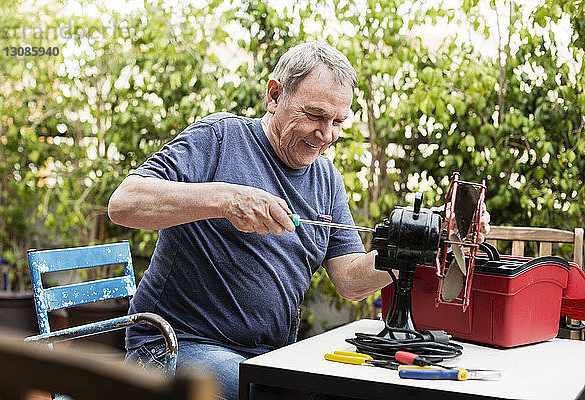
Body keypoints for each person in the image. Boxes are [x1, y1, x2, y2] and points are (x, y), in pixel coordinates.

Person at [108, 41, 490, 400]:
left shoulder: (326, 178)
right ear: (274, 95)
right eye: (315, 115)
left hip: (269, 356)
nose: (326, 135)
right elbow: (124, 203)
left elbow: (351, 279)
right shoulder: (221, 138)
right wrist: (225, 199)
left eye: (338, 121)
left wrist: (428, 240)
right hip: (175, 348)